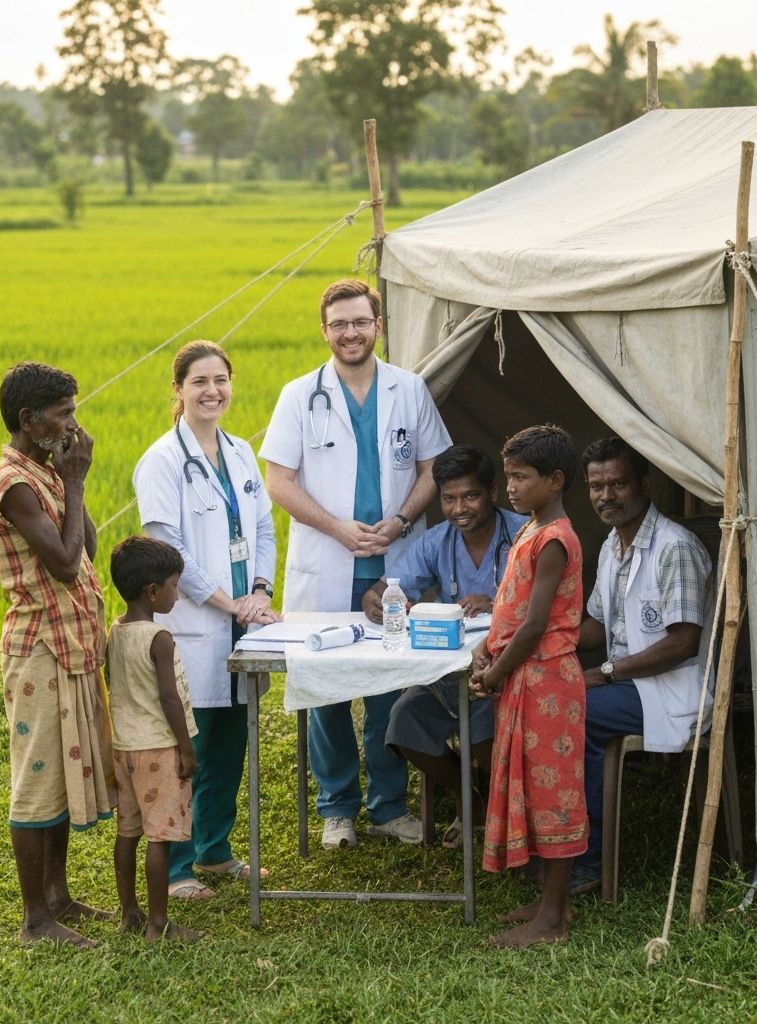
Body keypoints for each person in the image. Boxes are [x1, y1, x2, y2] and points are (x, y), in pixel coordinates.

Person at [261, 278, 451, 849]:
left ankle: (389, 806)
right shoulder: (300, 395)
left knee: (391, 686)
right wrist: (337, 527)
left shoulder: (409, 389)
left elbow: (432, 468)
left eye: (360, 321)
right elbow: (279, 481)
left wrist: (399, 522)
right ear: (325, 331)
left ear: (378, 325)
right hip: (327, 561)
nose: (350, 332)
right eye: (339, 324)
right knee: (327, 690)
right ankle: (337, 808)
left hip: (395, 562)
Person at [133, 340, 279, 901]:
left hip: (245, 617)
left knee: (229, 742)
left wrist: (260, 590)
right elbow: (165, 549)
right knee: (186, 748)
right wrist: (227, 601)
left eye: (220, 379)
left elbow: (262, 529)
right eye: (199, 381)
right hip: (194, 623)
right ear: (178, 390)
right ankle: (176, 869)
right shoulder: (162, 461)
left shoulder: (240, 450)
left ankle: (214, 850)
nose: (212, 391)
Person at [0, 361, 117, 948]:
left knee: (59, 773)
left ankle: (59, 897)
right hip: (38, 647)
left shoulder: (46, 470)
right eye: (62, 413)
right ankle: (36, 919)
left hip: (70, 641)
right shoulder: (12, 485)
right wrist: (78, 481)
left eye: (73, 410)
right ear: (28, 419)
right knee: (36, 779)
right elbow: (62, 567)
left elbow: (85, 545)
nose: (72, 423)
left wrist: (71, 478)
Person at [363, 445, 528, 846]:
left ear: (492, 491)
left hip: (501, 674)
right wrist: (380, 603)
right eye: (449, 498)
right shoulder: (436, 541)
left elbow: (545, 605)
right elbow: (383, 591)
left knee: (487, 724)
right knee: (403, 721)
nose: (459, 509)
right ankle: (469, 798)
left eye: (470, 496)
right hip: (445, 675)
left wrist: (496, 603)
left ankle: (499, 809)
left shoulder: (524, 534)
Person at [571, 436, 713, 894]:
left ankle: (587, 861)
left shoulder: (675, 547)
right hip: (632, 684)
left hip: (674, 687)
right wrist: (541, 642)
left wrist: (605, 673)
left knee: (578, 714)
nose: (605, 496)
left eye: (618, 484)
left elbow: (683, 644)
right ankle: (550, 844)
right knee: (549, 695)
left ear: (645, 485)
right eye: (596, 486)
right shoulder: (613, 545)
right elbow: (596, 626)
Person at [470, 424, 587, 948]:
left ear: (555, 480)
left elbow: (537, 623)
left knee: (553, 796)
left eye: (521, 477)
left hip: (547, 684)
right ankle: (545, 902)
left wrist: (495, 672)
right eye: (509, 476)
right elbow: (509, 608)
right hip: (525, 678)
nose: (510, 487)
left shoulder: (556, 539)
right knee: (533, 788)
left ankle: (553, 918)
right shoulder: (531, 528)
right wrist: (486, 648)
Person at [107, 535, 201, 943]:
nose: (177, 595)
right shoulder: (158, 638)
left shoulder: (116, 631)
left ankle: (129, 912)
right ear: (152, 591)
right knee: (160, 836)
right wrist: (186, 747)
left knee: (128, 832)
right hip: (159, 749)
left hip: (124, 747)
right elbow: (169, 697)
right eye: (174, 586)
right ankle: (159, 923)